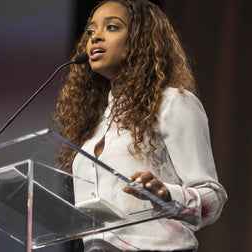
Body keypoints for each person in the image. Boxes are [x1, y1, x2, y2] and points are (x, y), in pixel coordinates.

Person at [53, 0, 227, 251]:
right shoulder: (94, 123)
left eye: (111, 27)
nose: (95, 38)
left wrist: (166, 195)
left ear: (139, 40)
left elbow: (212, 199)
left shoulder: (173, 103)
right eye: (90, 32)